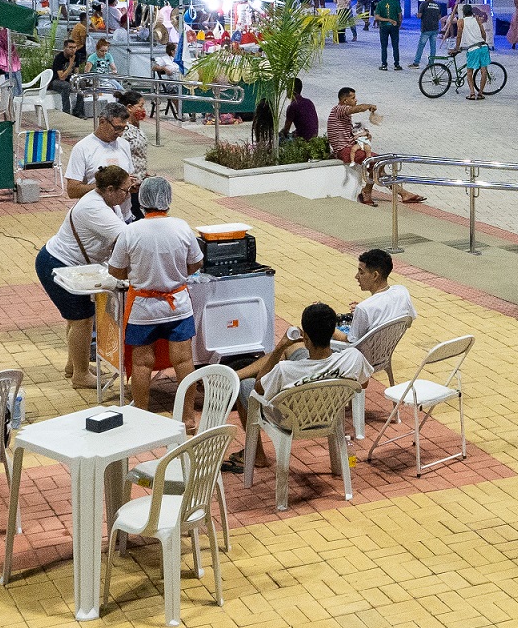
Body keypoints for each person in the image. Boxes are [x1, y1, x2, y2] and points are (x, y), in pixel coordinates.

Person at [107, 175, 203, 411]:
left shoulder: (131, 231)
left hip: (144, 309)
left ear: (141, 201)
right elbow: (195, 264)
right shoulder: (181, 227)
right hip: (177, 305)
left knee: (141, 364)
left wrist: (137, 276)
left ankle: (142, 414)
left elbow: (115, 270)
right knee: (183, 361)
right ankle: (188, 416)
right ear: (168, 201)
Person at [229, 302, 374, 450]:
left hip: (290, 421)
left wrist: (280, 348)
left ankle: (258, 456)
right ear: (332, 333)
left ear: (306, 339)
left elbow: (258, 386)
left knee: (245, 385)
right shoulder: (353, 358)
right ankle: (234, 374)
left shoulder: (285, 370)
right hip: (330, 415)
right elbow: (363, 385)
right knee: (294, 348)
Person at [40, 163, 133, 389]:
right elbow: (127, 238)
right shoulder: (94, 208)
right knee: (81, 320)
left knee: (78, 319)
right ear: (110, 189)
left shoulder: (109, 203)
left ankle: (74, 366)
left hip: (70, 265)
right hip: (57, 264)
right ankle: (80, 376)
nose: (128, 194)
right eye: (125, 190)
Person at [328, 86, 420, 204]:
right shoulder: (339, 109)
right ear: (345, 100)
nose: (356, 100)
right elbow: (357, 109)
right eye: (353, 98)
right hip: (344, 150)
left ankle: (403, 194)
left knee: (378, 167)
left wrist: (363, 136)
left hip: (350, 147)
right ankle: (368, 191)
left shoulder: (342, 114)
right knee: (378, 163)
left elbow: (347, 133)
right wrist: (368, 106)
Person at [65, 102, 137, 219]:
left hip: (125, 217)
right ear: (102, 121)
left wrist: (130, 185)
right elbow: (72, 190)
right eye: (117, 128)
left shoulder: (124, 145)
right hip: (97, 219)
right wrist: (107, 188)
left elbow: (128, 178)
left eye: (124, 128)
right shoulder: (82, 148)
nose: (120, 133)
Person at [342, 246, 415, 340]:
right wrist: (363, 313)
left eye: (361, 272)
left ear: (375, 275)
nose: (356, 276)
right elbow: (408, 322)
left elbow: (351, 341)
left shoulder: (364, 308)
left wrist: (327, 327)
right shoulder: (402, 292)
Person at [460, 0, 493, 99]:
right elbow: (483, 33)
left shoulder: (461, 21)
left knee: (469, 72)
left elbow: (458, 36)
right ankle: (481, 93)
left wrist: (457, 48)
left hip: (473, 49)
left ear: (463, 13)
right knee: (484, 71)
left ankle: (472, 93)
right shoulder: (477, 20)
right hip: (483, 46)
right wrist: (483, 42)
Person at [411, 0, 442, 69]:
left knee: (421, 46)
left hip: (426, 29)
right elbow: (439, 17)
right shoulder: (437, 5)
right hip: (435, 28)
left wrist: (416, 15)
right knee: (433, 47)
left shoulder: (423, 4)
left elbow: (419, 16)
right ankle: (431, 64)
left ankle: (416, 63)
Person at [374, 0, 403, 71]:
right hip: (394, 26)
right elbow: (400, 16)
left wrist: (386, 20)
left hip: (384, 27)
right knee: (395, 45)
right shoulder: (396, 2)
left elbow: (377, 17)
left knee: (384, 46)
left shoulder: (380, 3)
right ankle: (396, 64)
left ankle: (384, 64)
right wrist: (399, 24)